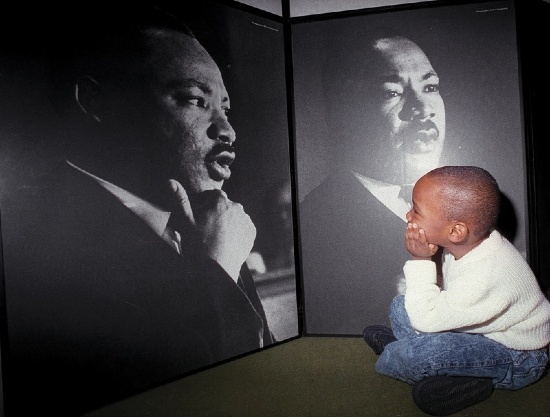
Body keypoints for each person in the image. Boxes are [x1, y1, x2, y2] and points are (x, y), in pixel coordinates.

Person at [2, 6, 274, 416]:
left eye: (225, 108)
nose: (227, 131)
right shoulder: (32, 242)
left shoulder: (212, 221)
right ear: (96, 101)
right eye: (194, 100)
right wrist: (216, 268)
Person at [362, 166, 550, 416]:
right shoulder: (468, 246)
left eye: (416, 210)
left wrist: (421, 259)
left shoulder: (485, 274)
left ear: (455, 232)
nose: (408, 215)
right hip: (486, 333)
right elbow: (441, 301)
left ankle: (398, 353)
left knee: (426, 354)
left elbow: (426, 319)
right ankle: (424, 360)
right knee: (400, 305)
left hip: (518, 358)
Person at [299, 26, 446, 334]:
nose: (423, 109)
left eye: (430, 87)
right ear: (345, 113)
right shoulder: (317, 224)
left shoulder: (462, 197)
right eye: (392, 93)